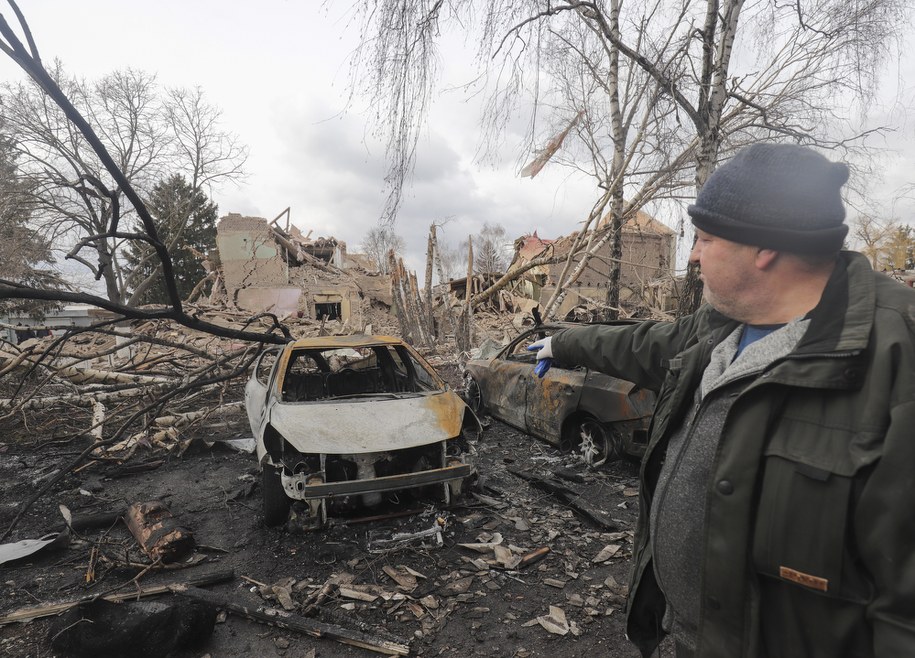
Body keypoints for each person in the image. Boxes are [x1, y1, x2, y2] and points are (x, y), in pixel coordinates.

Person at [528, 143, 915, 657]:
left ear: (763, 249)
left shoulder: (894, 360)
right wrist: (562, 342)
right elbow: (643, 344)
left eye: (705, 238)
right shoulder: (725, 326)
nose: (692, 254)